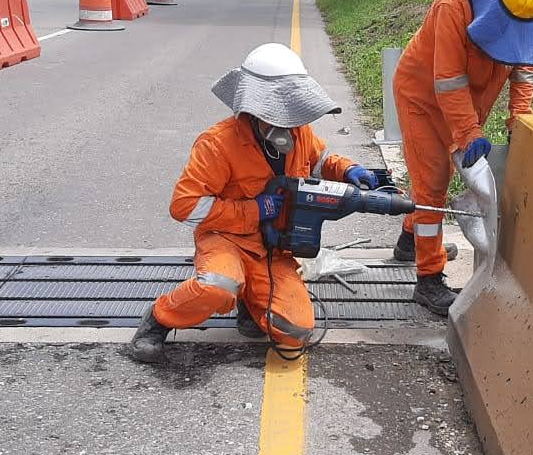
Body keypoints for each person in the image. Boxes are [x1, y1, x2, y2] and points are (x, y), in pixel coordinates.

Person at [131, 43, 377, 364]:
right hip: (226, 240)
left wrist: (348, 169)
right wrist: (254, 210)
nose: (290, 126)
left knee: (295, 330)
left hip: (273, 248)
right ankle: (158, 320)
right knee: (218, 285)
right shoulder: (218, 144)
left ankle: (251, 300)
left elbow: (321, 159)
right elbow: (184, 205)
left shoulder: (299, 134)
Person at [391, 0, 533, 314]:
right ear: (496, 0)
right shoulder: (454, 5)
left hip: (465, 103)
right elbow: (447, 80)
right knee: (432, 182)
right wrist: (467, 133)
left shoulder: (530, 5)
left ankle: (409, 241)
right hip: (422, 97)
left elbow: (524, 66)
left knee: (437, 177)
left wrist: (520, 117)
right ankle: (428, 280)